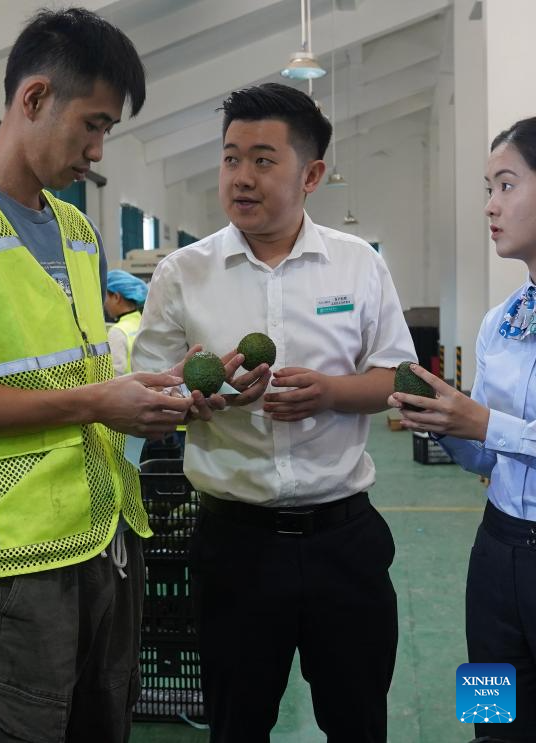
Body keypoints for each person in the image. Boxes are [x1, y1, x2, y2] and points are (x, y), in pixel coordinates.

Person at [0, 8, 230, 742]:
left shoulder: (77, 230)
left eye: (108, 131)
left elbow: (79, 368)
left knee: (104, 720)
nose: (97, 152)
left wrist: (166, 393)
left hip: (107, 534)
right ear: (34, 98)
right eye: (92, 125)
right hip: (18, 562)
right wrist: (98, 403)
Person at [132, 82, 417, 742]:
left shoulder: (357, 266)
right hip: (235, 544)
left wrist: (330, 393)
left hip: (343, 539)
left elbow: (399, 379)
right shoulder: (183, 272)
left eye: (263, 160)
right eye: (231, 158)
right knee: (237, 723)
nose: (241, 177)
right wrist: (192, 401)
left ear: (311, 175)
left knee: (357, 721)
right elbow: (150, 394)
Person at [391, 117, 536, 742]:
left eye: (506, 185)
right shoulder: (500, 322)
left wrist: (484, 421)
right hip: (496, 555)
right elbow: (488, 458)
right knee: (492, 714)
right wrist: (444, 424)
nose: (490, 206)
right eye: (488, 188)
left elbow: (495, 428)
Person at [105, 269, 148, 375]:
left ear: (116, 297)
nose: (104, 303)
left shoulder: (117, 332)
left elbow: (114, 375)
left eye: (105, 297)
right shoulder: (146, 323)